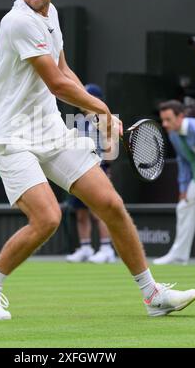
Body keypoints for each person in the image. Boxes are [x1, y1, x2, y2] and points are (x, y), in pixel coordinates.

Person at [0, 0, 195, 320]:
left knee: (111, 204)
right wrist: (101, 109)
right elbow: (57, 84)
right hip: (12, 137)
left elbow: (64, 70)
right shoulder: (18, 21)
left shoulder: (51, 15)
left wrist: (95, 113)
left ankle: (152, 294)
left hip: (51, 131)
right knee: (47, 219)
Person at [154, 100, 195, 265]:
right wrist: (183, 188)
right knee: (184, 206)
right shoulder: (174, 134)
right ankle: (180, 255)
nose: (165, 124)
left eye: (168, 119)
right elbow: (183, 161)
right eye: (163, 120)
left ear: (180, 117)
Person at [66, 84, 116, 263]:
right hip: (77, 169)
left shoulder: (103, 119)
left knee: (98, 211)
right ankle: (86, 247)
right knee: (80, 212)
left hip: (98, 168)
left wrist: (107, 169)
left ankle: (106, 248)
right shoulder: (78, 120)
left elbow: (110, 147)